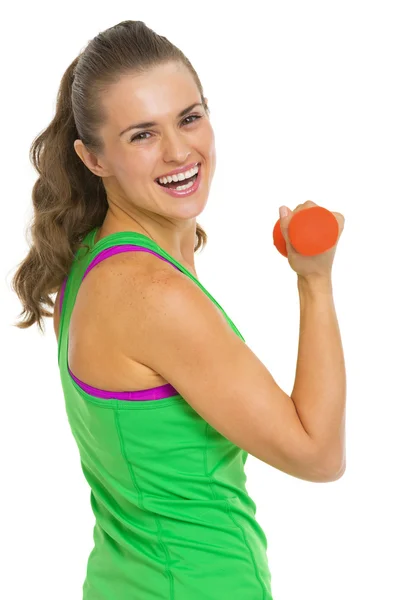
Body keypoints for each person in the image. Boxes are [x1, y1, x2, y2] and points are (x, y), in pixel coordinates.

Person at [11, 20, 346, 600]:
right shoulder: (151, 294)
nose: (178, 150)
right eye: (142, 135)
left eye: (189, 118)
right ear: (93, 158)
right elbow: (318, 454)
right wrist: (314, 281)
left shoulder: (94, 258)